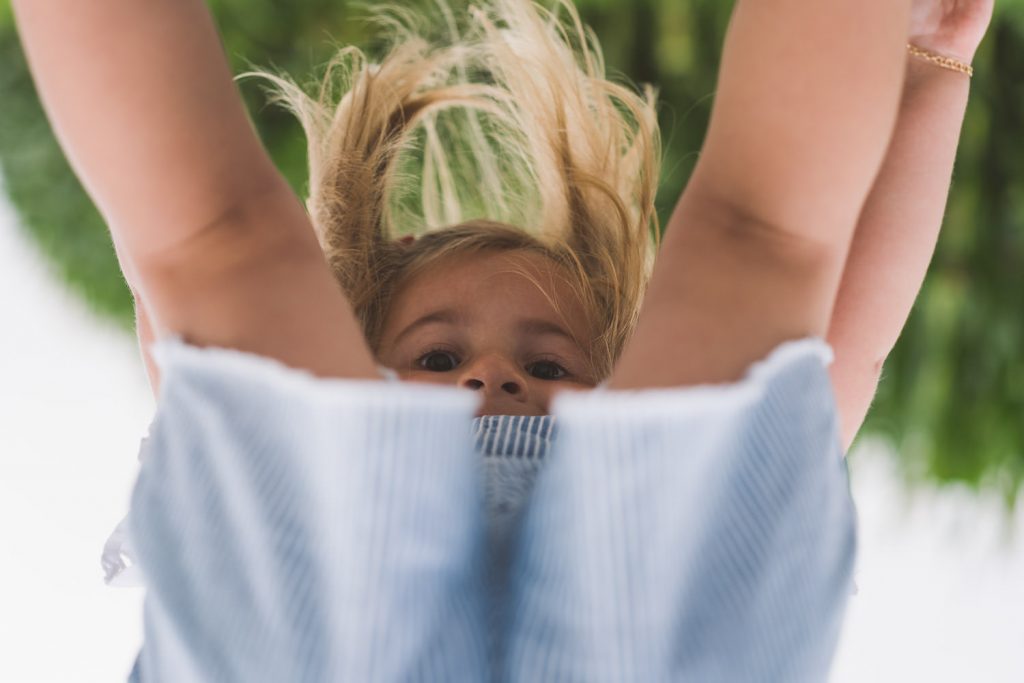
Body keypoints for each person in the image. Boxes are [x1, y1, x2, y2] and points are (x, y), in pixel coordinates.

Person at [12, 0, 992, 680]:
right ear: (621, 390)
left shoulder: (334, 472)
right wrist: (929, 64)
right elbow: (842, 344)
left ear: (358, 376)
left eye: (542, 362)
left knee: (210, 243)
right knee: (760, 242)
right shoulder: (655, 470)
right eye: (441, 358)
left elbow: (176, 286)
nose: (492, 373)